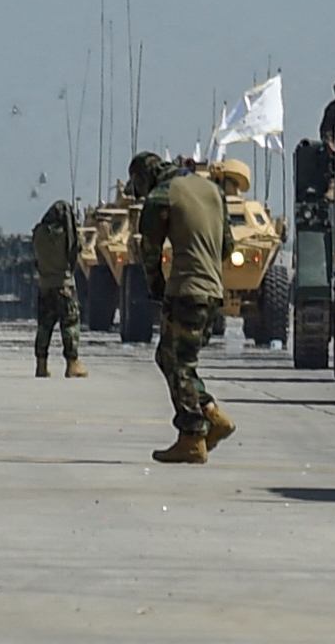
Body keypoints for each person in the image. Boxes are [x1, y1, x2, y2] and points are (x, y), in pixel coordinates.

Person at [130, 151, 235, 465]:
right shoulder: (212, 190)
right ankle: (211, 414)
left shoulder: (161, 196)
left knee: (178, 364)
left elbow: (148, 250)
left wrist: (156, 289)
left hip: (186, 291)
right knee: (170, 357)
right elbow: (228, 246)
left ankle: (192, 437)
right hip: (213, 290)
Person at [29, 197, 87, 377]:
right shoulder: (66, 234)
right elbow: (77, 250)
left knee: (44, 327)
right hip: (64, 286)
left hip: (45, 286)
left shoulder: (39, 233)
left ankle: (41, 364)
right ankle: (72, 364)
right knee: (70, 325)